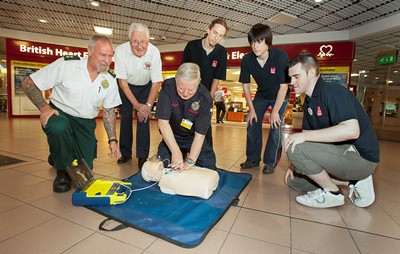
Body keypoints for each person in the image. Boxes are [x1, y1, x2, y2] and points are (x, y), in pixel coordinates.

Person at [22, 35, 121, 193]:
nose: (107, 60)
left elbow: (108, 111)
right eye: (102, 55)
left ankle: (56, 156)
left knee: (85, 172)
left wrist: (113, 140)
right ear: (89, 51)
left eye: (110, 56)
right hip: (60, 113)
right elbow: (28, 83)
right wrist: (44, 108)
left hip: (85, 124)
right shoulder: (67, 65)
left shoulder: (109, 80)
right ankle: (61, 172)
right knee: (58, 128)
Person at [284, 52, 380, 208]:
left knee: (296, 149)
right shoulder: (309, 102)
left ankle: (333, 194)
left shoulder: (333, 92)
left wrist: (299, 145)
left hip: (361, 158)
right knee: (294, 180)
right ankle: (353, 181)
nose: (291, 82)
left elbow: (352, 130)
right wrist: (293, 165)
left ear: (312, 73)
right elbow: (307, 136)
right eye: (290, 77)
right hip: (340, 152)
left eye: (296, 76)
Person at [239, 23, 290, 174]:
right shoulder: (247, 60)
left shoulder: (281, 56)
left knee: (275, 126)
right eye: (253, 42)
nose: (255, 46)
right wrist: (251, 109)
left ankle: (270, 161)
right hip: (261, 94)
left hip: (280, 95)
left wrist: (275, 112)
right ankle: (253, 159)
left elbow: (284, 86)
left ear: (267, 41)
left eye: (259, 41)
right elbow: (246, 86)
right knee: (252, 122)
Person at [114, 23, 163, 169]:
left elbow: (156, 83)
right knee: (126, 118)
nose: (139, 45)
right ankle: (126, 153)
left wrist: (147, 106)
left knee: (143, 118)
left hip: (146, 87)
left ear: (148, 42)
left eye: (143, 42)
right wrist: (136, 105)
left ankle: (142, 156)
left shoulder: (154, 52)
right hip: (126, 87)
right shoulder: (120, 51)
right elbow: (122, 82)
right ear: (129, 40)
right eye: (134, 41)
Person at [155, 63, 216, 171]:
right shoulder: (167, 88)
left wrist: (190, 161)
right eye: (181, 88)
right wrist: (176, 152)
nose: (185, 94)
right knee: (162, 166)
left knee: (208, 167)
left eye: (191, 90)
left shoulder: (205, 98)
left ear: (198, 84)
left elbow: (200, 135)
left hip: (193, 137)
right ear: (176, 81)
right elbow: (163, 122)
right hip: (172, 134)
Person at [182, 18, 228, 146]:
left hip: (205, 96)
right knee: (186, 126)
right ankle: (183, 155)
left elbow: (216, 78)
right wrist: (185, 94)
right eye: (214, 33)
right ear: (208, 29)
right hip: (188, 95)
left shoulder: (222, 52)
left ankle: (206, 159)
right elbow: (183, 73)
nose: (216, 38)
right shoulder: (192, 46)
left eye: (221, 36)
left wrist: (209, 99)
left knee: (205, 129)